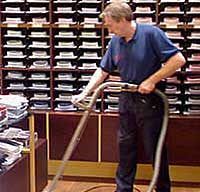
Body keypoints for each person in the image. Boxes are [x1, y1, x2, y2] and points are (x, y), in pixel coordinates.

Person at [71, 2, 186, 192]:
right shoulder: (116, 41)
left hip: (150, 102)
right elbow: (103, 70)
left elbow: (178, 60)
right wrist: (85, 92)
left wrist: (152, 80)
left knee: (154, 150)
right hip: (126, 100)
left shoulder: (151, 34)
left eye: (111, 25)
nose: (109, 30)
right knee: (125, 148)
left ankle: (163, 189)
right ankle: (123, 189)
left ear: (123, 20)